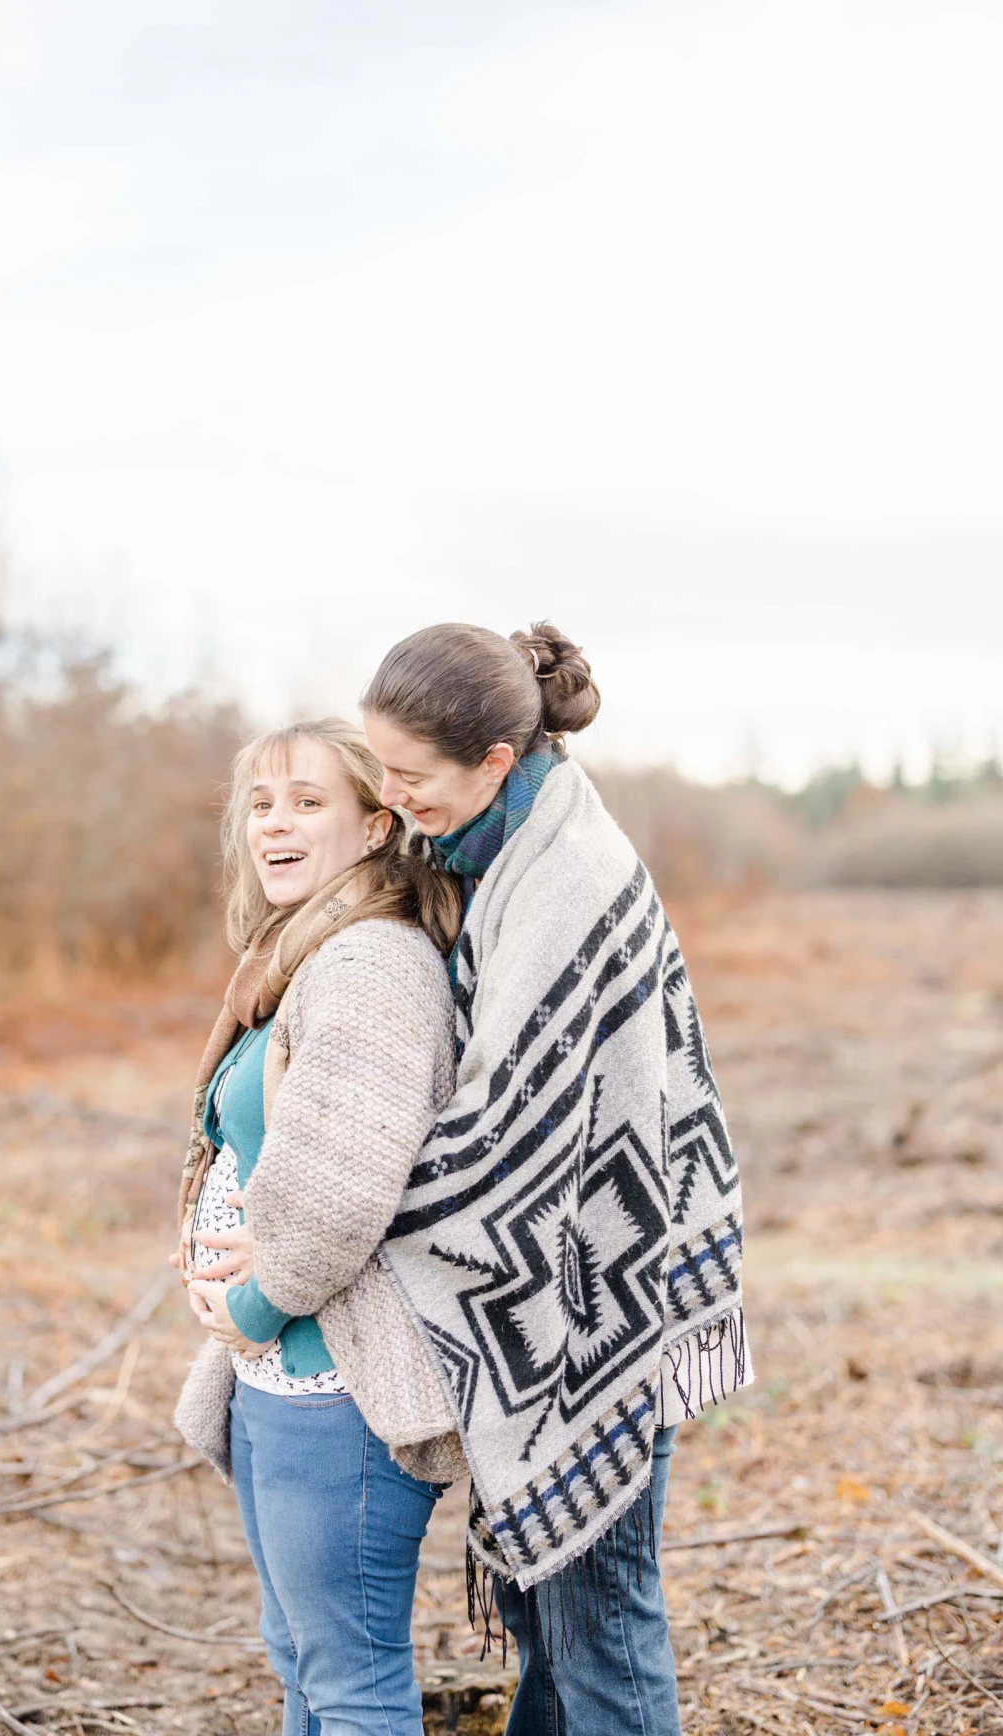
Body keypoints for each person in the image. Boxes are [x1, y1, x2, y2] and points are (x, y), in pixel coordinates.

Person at [357, 622, 750, 1736]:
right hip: (590, 1274)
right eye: (377, 766)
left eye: (410, 777)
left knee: (599, 1616)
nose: (390, 796)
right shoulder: (497, 843)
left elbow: (506, 1136)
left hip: (606, 1299)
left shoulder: (564, 877)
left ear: (492, 759)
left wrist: (339, 1218)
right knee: (547, 1608)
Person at [170, 718, 468, 1736]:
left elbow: (345, 1192)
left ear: (378, 825)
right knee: (302, 1658)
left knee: (350, 1677)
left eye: (307, 802)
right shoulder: (302, 953)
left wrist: (254, 1303)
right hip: (278, 1372)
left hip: (331, 1384)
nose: (274, 824)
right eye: (260, 803)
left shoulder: (369, 965)